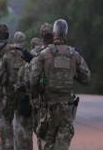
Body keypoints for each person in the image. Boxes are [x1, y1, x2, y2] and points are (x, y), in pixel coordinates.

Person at [30, 19, 91, 150]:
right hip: (66, 111)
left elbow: (33, 80)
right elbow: (87, 78)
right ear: (66, 34)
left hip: (47, 110)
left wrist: (36, 96)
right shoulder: (74, 55)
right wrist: (73, 73)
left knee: (47, 144)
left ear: (53, 33)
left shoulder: (43, 55)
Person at [23, 23, 53, 149]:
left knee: (42, 135)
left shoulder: (36, 54)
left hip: (40, 102)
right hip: (60, 101)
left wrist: (34, 94)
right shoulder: (63, 51)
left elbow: (27, 80)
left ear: (41, 36)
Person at [0, 32, 26, 150]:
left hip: (9, 92)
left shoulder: (7, 55)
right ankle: (20, 146)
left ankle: (8, 145)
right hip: (23, 93)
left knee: (7, 119)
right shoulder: (26, 55)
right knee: (19, 120)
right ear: (24, 42)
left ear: (13, 41)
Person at [13, 37, 42, 150]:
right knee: (42, 134)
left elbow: (22, 80)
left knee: (26, 131)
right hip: (44, 102)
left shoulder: (27, 63)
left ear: (30, 47)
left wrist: (18, 87)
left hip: (28, 101)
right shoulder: (46, 58)